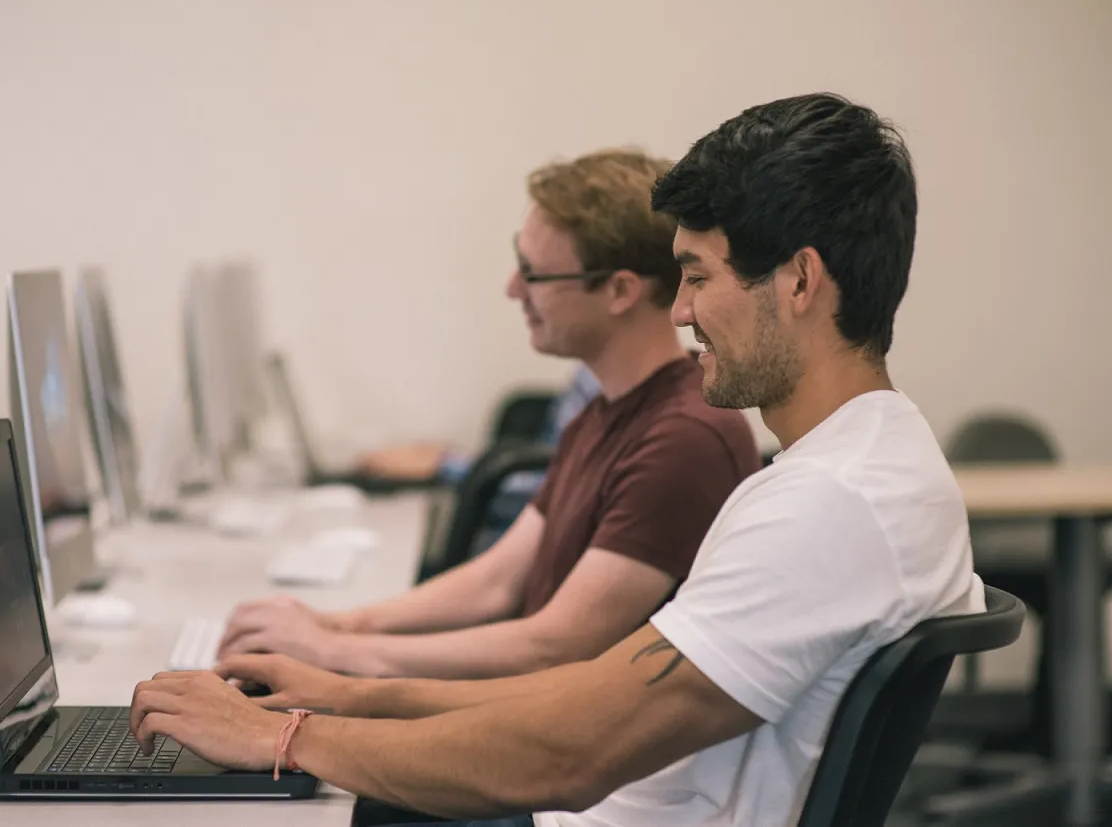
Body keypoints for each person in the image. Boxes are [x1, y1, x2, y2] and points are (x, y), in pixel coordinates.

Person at [129, 92, 982, 827]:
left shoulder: (826, 505)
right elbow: (590, 693)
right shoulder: (861, 464)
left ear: (799, 281)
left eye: (696, 275)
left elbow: (570, 753)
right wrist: (345, 695)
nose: (678, 310)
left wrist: (283, 738)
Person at [218, 148, 760, 679]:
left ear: (619, 290)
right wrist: (336, 626)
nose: (511, 289)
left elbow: (557, 646)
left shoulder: (684, 439)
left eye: (534, 274)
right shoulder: (608, 409)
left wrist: (339, 654)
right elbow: (495, 582)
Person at [359, 364, 602, 534]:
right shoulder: (593, 370)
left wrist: (445, 465)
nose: (514, 291)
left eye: (535, 285)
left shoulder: (609, 386)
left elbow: (561, 490)